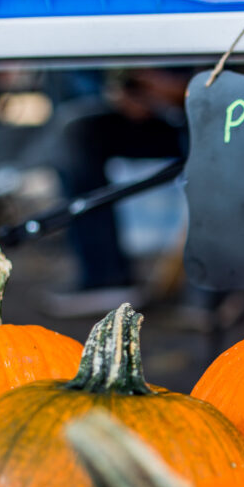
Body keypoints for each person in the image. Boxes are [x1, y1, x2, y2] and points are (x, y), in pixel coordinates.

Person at [42, 67, 190, 318]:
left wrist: (183, 90)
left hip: (212, 109)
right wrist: (122, 93)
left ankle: (208, 288)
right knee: (76, 130)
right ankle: (105, 276)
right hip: (159, 111)